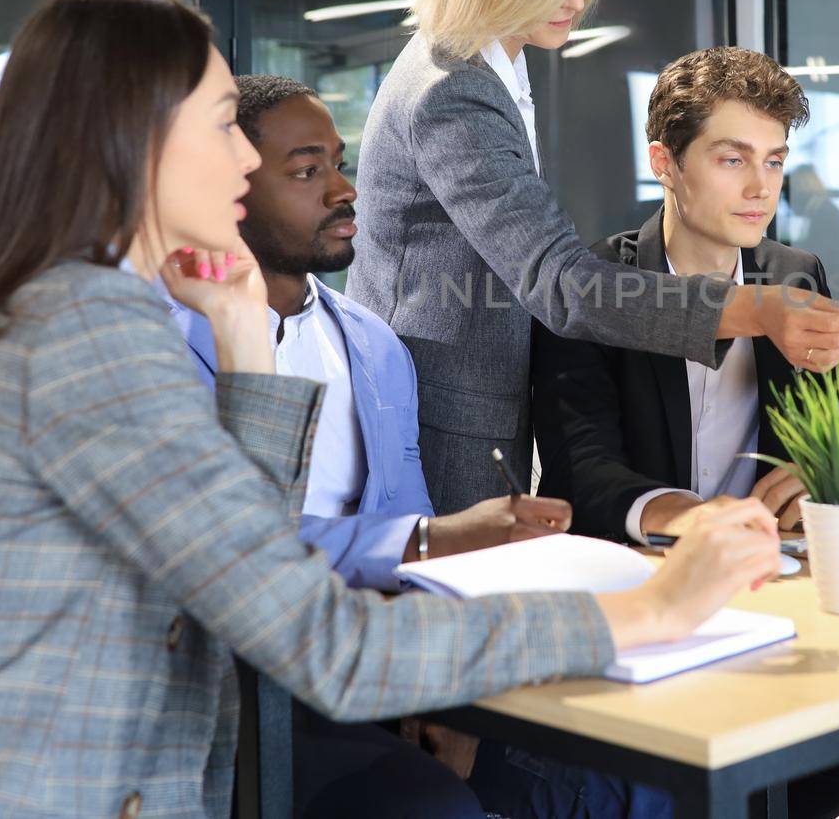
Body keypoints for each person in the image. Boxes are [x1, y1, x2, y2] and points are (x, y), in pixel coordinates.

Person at [0, 0, 782, 817]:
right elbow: (321, 641)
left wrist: (241, 330)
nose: (243, 163)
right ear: (132, 140)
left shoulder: (77, 312)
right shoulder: (84, 341)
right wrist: (647, 611)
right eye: (217, 126)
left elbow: (248, 546)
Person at [349, 0, 839, 514]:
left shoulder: (489, 74)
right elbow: (562, 283)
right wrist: (758, 309)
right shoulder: (453, 89)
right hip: (443, 422)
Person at [159, 73, 578, 815]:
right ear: (230, 192)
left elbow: (404, 517)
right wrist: (430, 537)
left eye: (339, 162)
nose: (344, 190)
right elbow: (235, 556)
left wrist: (438, 690)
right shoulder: (163, 345)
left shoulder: (375, 345)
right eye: (307, 170)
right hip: (236, 683)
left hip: (375, 661)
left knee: (563, 776)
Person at [532, 46, 839, 818]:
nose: (761, 186)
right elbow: (581, 469)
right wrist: (702, 518)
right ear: (666, 161)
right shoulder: (593, 288)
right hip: (643, 587)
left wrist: (816, 471)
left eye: (774, 159)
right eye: (732, 159)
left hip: (776, 588)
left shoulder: (794, 274)